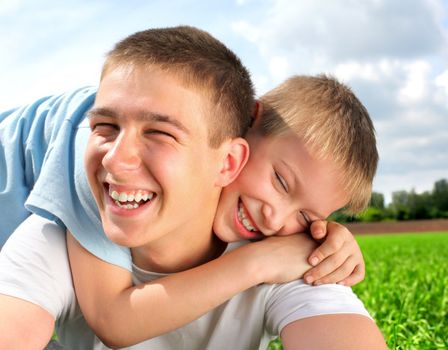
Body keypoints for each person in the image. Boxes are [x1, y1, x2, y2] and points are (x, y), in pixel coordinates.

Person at [0, 27, 386, 349]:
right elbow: (114, 319)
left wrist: (328, 240)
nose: (275, 217)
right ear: (243, 131)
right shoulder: (102, 153)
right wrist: (259, 262)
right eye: (280, 181)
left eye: (306, 216)